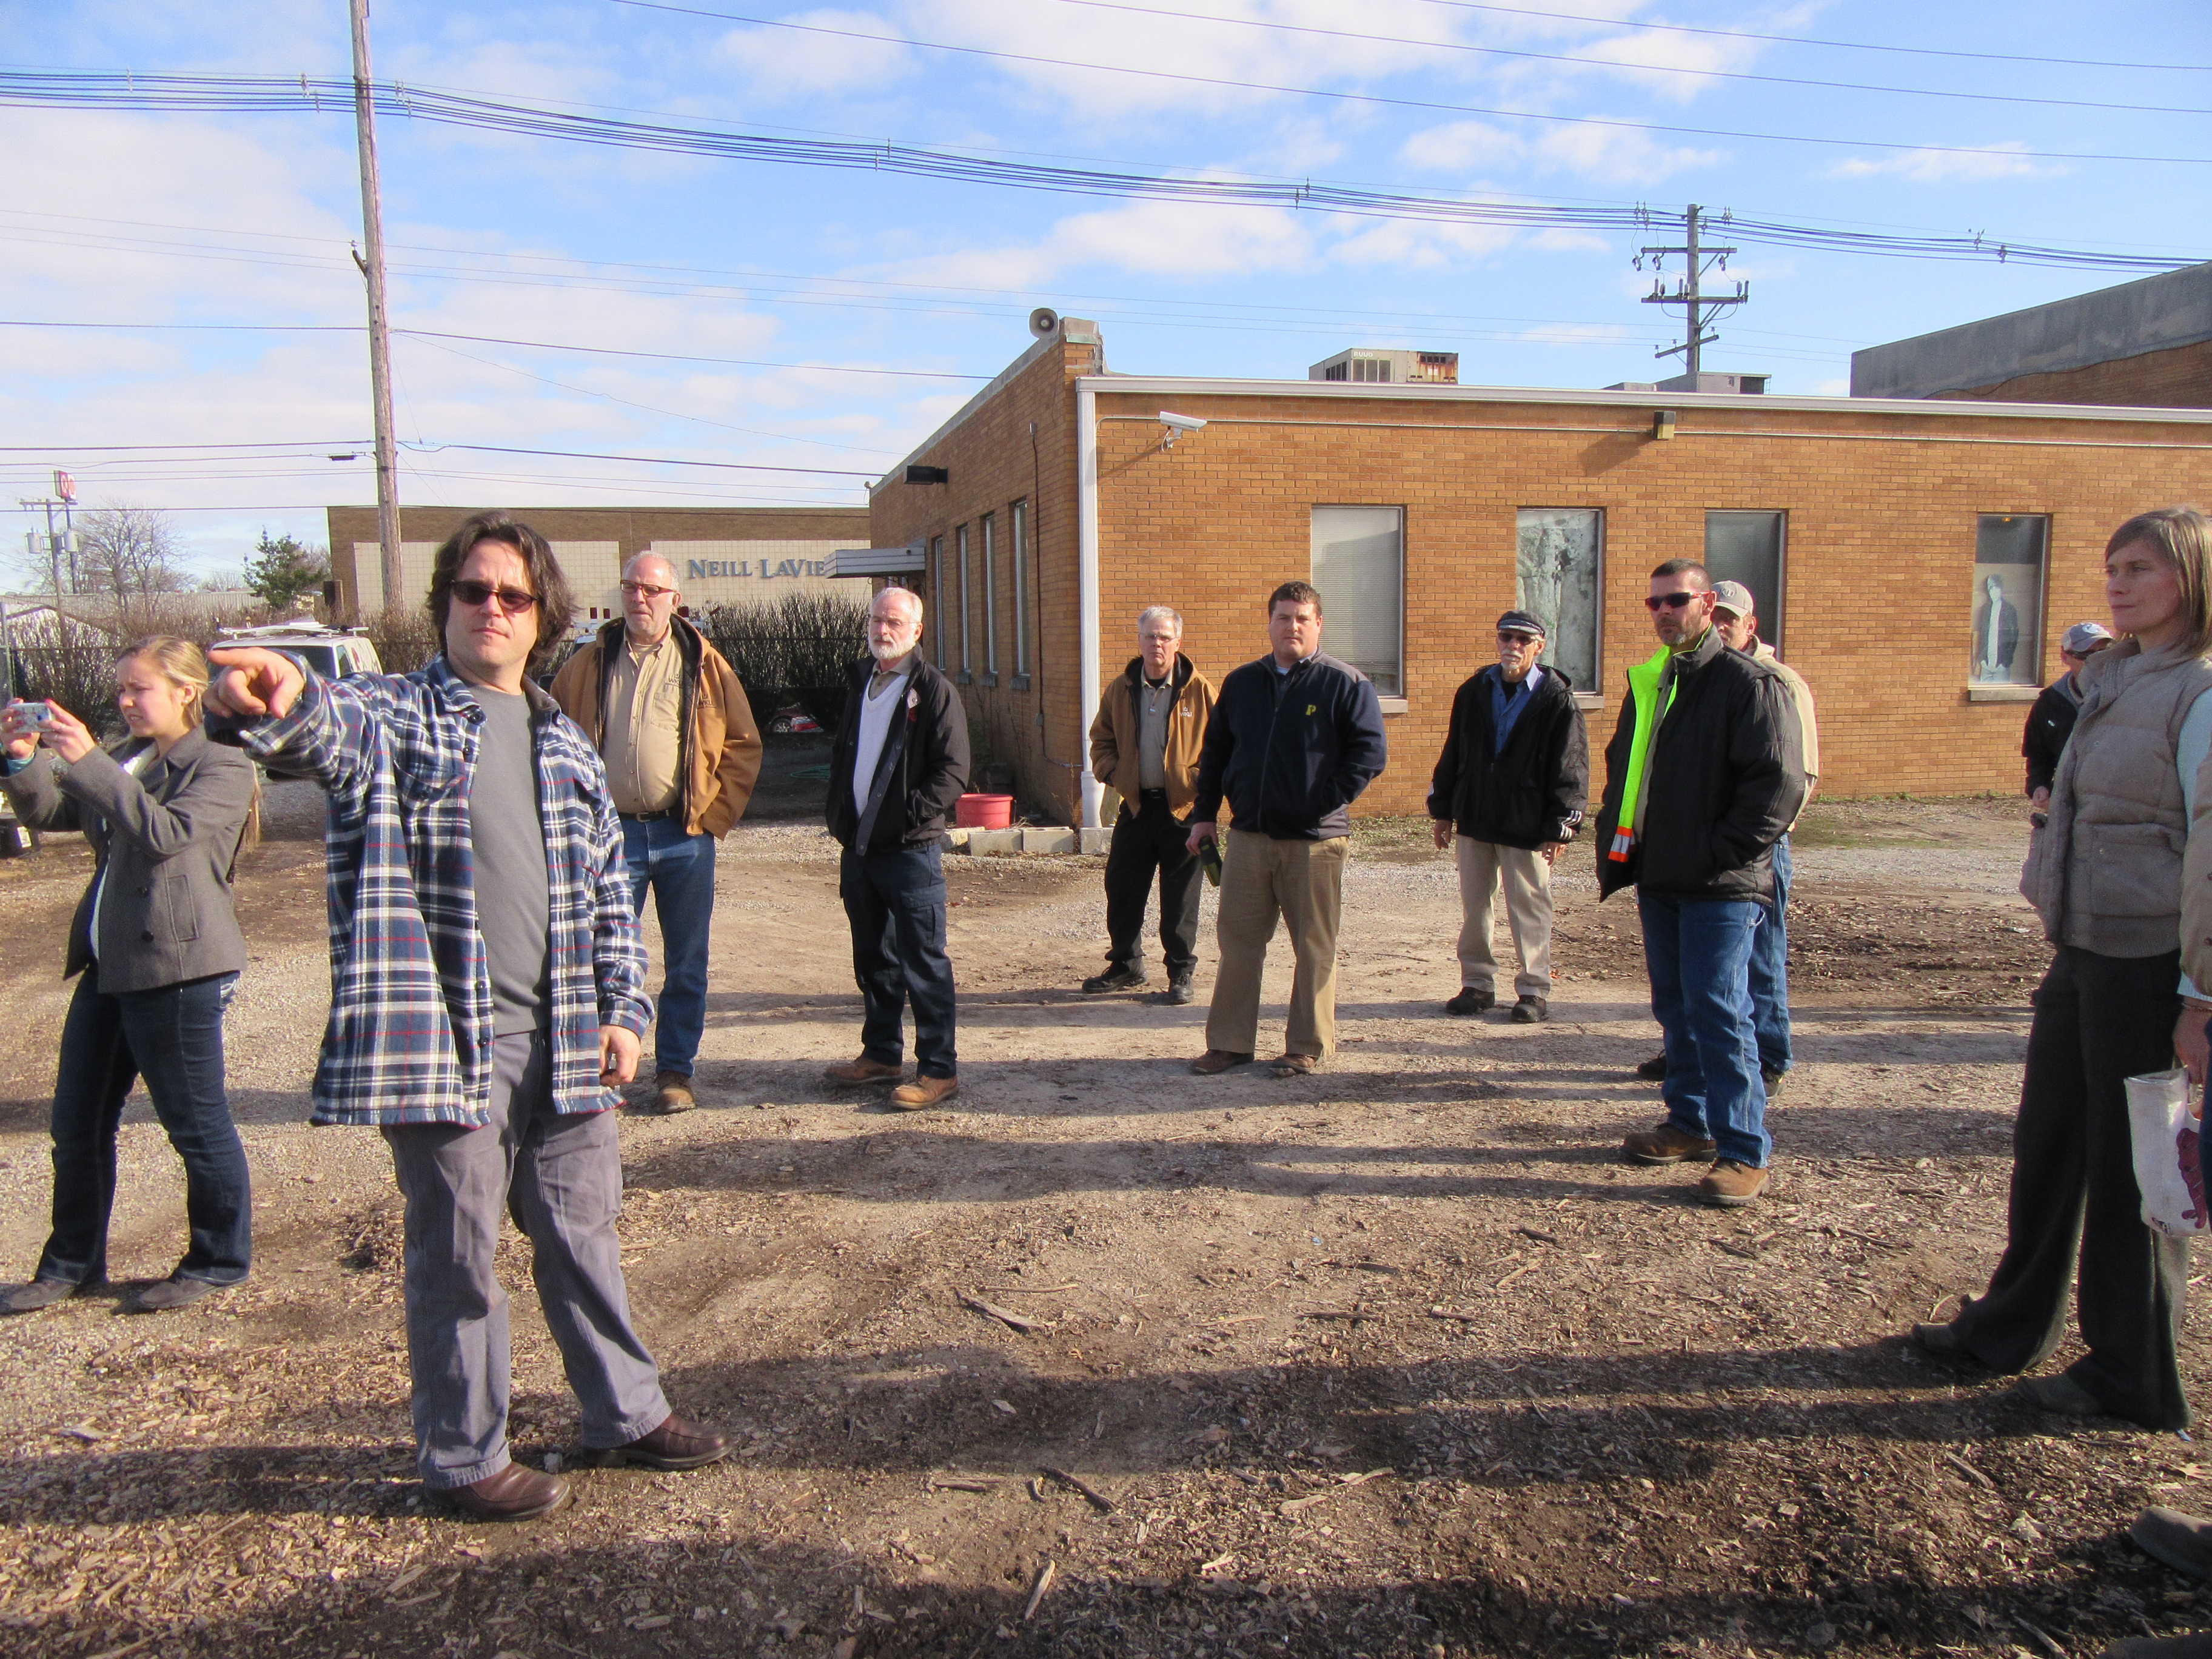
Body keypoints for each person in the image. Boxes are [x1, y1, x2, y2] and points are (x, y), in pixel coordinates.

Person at [206, 510, 728, 1522]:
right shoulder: (397, 713)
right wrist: (281, 695)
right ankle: (462, 1458)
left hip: (568, 1038)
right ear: (445, 601)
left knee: (583, 1234)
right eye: (472, 589)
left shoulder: (563, 741)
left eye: (513, 595)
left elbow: (608, 897)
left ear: (543, 617)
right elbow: (321, 728)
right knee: (457, 1254)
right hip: (446, 1046)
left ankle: (623, 1412)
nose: (492, 607)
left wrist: (626, 1009)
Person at [1914, 508, 2212, 1434]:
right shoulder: (2114, 677)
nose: (2118, 584)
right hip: (2083, 951)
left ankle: (2134, 1372)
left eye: (2140, 568)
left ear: (2192, 577)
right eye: (2113, 568)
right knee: (2049, 1143)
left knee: (2132, 1172)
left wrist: (2200, 996)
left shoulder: (2198, 692)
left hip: (2150, 965)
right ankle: (2011, 1326)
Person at [0, 639, 258, 1316]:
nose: (124, 701)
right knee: (77, 1124)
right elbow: (55, 813)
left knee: (194, 1125)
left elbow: (165, 834)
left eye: (137, 689)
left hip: (179, 967)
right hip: (109, 963)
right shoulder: (127, 757)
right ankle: (70, 1265)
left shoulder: (222, 763)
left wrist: (87, 760)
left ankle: (218, 1260)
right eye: (120, 689)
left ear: (185, 692)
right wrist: (24, 761)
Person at [1596, 559, 1805, 1208]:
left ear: (1708, 603)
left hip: (1721, 883)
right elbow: (1626, 769)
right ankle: (1688, 1122)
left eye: (1676, 600)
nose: (1664, 611)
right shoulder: (1653, 682)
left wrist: (1719, 854)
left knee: (1720, 1008)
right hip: (1660, 875)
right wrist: (1622, 841)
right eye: (1654, 602)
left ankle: (1743, 1149)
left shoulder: (1750, 684)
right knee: (1677, 1005)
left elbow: (1778, 786)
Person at [551, 552, 763, 1114]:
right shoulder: (587, 664)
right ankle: (599, 1072)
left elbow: (744, 745)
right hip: (609, 837)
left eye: (652, 589)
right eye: (631, 587)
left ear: (674, 599)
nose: (640, 598)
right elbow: (550, 738)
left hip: (683, 836)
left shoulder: (705, 664)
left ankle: (674, 1072)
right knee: (598, 956)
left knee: (687, 961)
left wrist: (712, 817)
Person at [1184, 581, 1387, 1079]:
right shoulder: (1242, 683)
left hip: (1315, 843)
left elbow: (1369, 755)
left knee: (1314, 946)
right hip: (1249, 837)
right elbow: (1215, 755)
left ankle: (1306, 1045)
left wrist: (1318, 804)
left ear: (1319, 625)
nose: (1292, 626)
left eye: (1302, 618)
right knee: (1238, 944)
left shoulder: (1345, 684)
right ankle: (1230, 1043)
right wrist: (1204, 814)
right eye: (1283, 617)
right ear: (1270, 623)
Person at [1632, 581, 1820, 1090]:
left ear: (1748, 625)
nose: (1720, 627)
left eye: (1729, 620)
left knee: (1758, 957)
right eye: (1715, 617)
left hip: (1753, 849)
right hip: (1693, 851)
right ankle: (1690, 1063)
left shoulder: (1774, 682)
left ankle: (1769, 1055)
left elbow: (1796, 773)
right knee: (1691, 977)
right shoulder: (1680, 678)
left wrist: (1744, 841)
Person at [822, 586, 970, 1109]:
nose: (882, 630)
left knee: (923, 962)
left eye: (894, 622)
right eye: (876, 620)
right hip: (860, 852)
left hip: (911, 854)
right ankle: (882, 1054)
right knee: (874, 959)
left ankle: (938, 1070)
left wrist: (904, 818)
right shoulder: (862, 681)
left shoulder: (933, 691)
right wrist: (842, 817)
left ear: (916, 631)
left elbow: (953, 772)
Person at [1427, 609, 1587, 1024]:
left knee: (1529, 907)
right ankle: (1477, 984)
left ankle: (1533, 990)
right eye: (1506, 638)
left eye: (1522, 639)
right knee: (1476, 907)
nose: (1513, 646)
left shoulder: (1557, 699)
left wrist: (1562, 826)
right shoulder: (1474, 690)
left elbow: (1571, 764)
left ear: (1539, 647)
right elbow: (1454, 751)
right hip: (1477, 815)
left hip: (1527, 821)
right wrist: (1443, 810)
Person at [1084, 606, 1218, 1004]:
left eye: (1164, 637)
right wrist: (1114, 773)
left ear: (1178, 642)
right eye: (1150, 636)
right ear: (1140, 641)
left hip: (1184, 812)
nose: (1156, 643)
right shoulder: (1120, 689)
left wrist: (1196, 783)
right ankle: (1126, 966)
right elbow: (1101, 739)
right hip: (1137, 808)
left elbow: (1221, 748)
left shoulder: (1200, 691)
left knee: (1180, 898)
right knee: (1122, 887)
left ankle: (1181, 972)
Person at [2023, 620, 2115, 808]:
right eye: (2086, 655)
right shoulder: (2050, 702)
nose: (2097, 661)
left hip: (2116, 802)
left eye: (2104, 652)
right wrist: (2039, 787)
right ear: (2065, 657)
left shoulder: (2127, 696)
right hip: (2070, 805)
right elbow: (2039, 755)